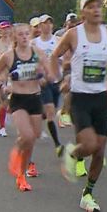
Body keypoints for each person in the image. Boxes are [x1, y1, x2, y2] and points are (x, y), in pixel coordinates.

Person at [50, 0, 107, 212]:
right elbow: (54, 56)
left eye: (99, 7)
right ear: (83, 12)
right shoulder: (73, 34)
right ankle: (72, 154)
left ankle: (88, 194)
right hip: (80, 98)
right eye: (91, 7)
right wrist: (59, 79)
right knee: (90, 144)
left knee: (100, 151)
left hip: (101, 97)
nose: (96, 10)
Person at [0, 23, 53, 191]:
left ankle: (22, 168)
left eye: (27, 34)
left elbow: (50, 74)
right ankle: (20, 171)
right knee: (26, 135)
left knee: (35, 136)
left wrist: (43, 77)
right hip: (18, 99)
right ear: (15, 37)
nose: (25, 37)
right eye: (21, 34)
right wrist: (4, 86)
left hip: (35, 98)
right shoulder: (9, 56)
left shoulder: (38, 53)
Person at [30, 15, 65, 157]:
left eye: (50, 23)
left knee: (49, 112)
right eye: (44, 23)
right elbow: (30, 62)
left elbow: (65, 58)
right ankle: (58, 145)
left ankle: (39, 116)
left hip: (57, 80)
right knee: (51, 111)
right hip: (43, 81)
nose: (48, 25)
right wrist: (39, 76)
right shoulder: (34, 43)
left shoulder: (59, 41)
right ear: (40, 26)